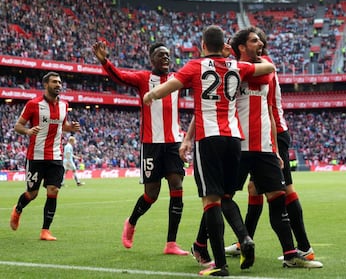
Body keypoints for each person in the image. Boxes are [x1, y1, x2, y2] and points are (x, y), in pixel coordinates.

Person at [143, 25, 276, 277]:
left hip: (209, 138)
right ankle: (244, 238)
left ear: (203, 45)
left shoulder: (195, 66)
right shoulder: (237, 66)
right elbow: (268, 68)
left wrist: (151, 94)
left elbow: (170, 86)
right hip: (234, 139)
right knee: (226, 197)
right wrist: (248, 60)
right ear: (222, 45)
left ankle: (220, 265)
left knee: (211, 201)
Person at [225, 28, 320, 263]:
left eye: (258, 40)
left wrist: (230, 60)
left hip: (273, 133)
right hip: (264, 134)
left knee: (284, 190)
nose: (258, 44)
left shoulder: (265, 63)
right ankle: (244, 241)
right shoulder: (256, 63)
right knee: (254, 189)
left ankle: (304, 248)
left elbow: (250, 75)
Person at [92, 41, 189, 256]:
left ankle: (171, 243)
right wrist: (104, 62)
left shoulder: (177, 79)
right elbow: (120, 77)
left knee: (177, 184)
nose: (166, 58)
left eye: (168, 55)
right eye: (161, 55)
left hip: (173, 143)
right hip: (151, 144)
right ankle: (132, 221)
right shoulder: (143, 78)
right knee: (152, 194)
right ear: (151, 60)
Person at [10, 71, 81, 241]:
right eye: (54, 82)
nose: (58, 84)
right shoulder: (33, 104)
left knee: (53, 190)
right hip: (36, 156)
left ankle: (45, 231)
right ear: (46, 85)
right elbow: (17, 126)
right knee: (32, 193)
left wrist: (70, 128)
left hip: (56, 156)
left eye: (60, 82)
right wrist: (27, 130)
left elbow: (61, 126)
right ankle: (18, 209)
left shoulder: (64, 105)